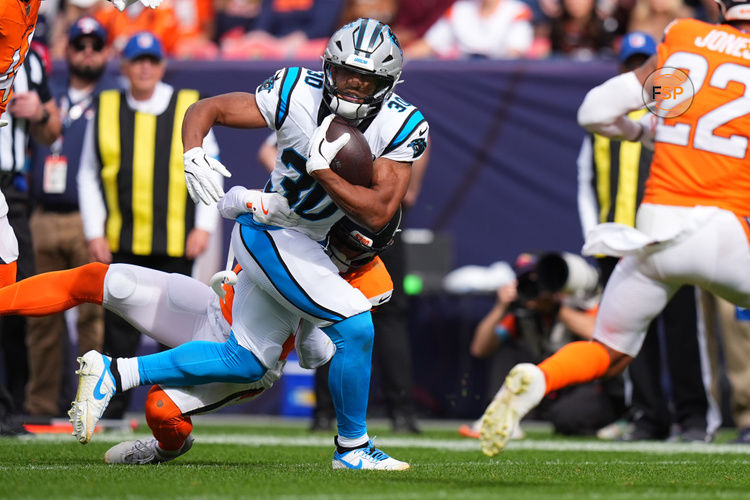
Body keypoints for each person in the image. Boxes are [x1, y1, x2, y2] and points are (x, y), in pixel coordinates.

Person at [70, 18, 428, 471]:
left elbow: (379, 213)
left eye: (367, 79)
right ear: (328, 67)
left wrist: (323, 172)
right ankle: (352, 449)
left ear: (388, 84)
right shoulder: (297, 89)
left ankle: (114, 372)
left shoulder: (402, 123)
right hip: (271, 232)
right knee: (355, 325)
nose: (353, 87)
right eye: (345, 74)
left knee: (246, 361)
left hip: (316, 247)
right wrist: (192, 151)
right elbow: (207, 108)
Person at [478, 0, 750, 457]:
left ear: (720, 6)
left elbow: (594, 111)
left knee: (609, 348)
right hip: (725, 229)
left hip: (655, 231)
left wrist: (644, 133)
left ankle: (540, 376)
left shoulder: (683, 38)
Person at [0, 209, 396, 464]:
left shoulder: (372, 283)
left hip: (251, 354)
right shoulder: (306, 217)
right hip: (212, 307)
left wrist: (307, 314)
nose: (339, 254)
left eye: (352, 251)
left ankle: (163, 447)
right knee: (105, 280)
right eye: (338, 239)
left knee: (160, 410)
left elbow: (315, 356)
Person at [577, 31, 718, 442]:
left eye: (645, 61)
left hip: (670, 236)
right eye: (633, 63)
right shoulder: (608, 117)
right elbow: (586, 179)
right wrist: (594, 233)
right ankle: (648, 416)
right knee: (628, 337)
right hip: (620, 239)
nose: (641, 70)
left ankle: (695, 418)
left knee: (683, 332)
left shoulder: (676, 109)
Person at [77, 31, 222, 419]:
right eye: (137, 59)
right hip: (124, 238)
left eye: (152, 60)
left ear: (161, 66)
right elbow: (89, 174)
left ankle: (170, 409)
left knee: (175, 334)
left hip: (176, 240)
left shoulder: (187, 106)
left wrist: (204, 226)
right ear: (124, 65)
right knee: (118, 331)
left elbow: (209, 169)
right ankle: (112, 411)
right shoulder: (106, 107)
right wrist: (94, 231)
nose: (144, 67)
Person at [24, 16, 112, 419]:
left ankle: (88, 402)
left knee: (92, 317)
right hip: (41, 213)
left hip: (87, 220)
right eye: (80, 45)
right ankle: (40, 404)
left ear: (106, 52)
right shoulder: (47, 98)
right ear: (68, 50)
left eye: (96, 45)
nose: (88, 53)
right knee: (40, 318)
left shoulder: (113, 103)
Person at [460, 252, 624, 439]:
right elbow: (479, 348)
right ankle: (500, 414)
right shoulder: (523, 313)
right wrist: (500, 307)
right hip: (549, 384)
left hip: (587, 386)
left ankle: (620, 421)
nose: (535, 288)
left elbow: (601, 337)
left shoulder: (577, 300)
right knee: (508, 352)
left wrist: (556, 309)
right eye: (526, 281)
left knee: (567, 418)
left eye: (538, 281)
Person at [405, 0, 534, 59]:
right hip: (459, 80)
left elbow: (515, 53)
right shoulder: (459, 8)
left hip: (499, 81)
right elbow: (429, 44)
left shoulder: (518, 10)